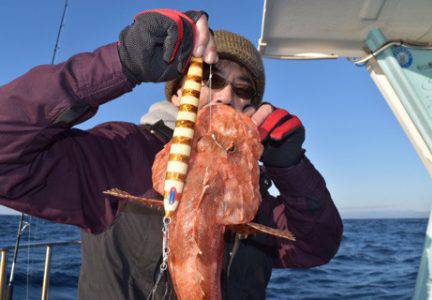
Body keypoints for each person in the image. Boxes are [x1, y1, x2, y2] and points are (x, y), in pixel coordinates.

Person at [0, 9, 343, 300]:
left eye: (242, 89)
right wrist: (122, 63)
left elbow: (316, 245)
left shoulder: (249, 194)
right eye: (212, 78)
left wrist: (291, 167)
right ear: (179, 94)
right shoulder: (121, 153)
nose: (225, 97)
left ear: (251, 107)